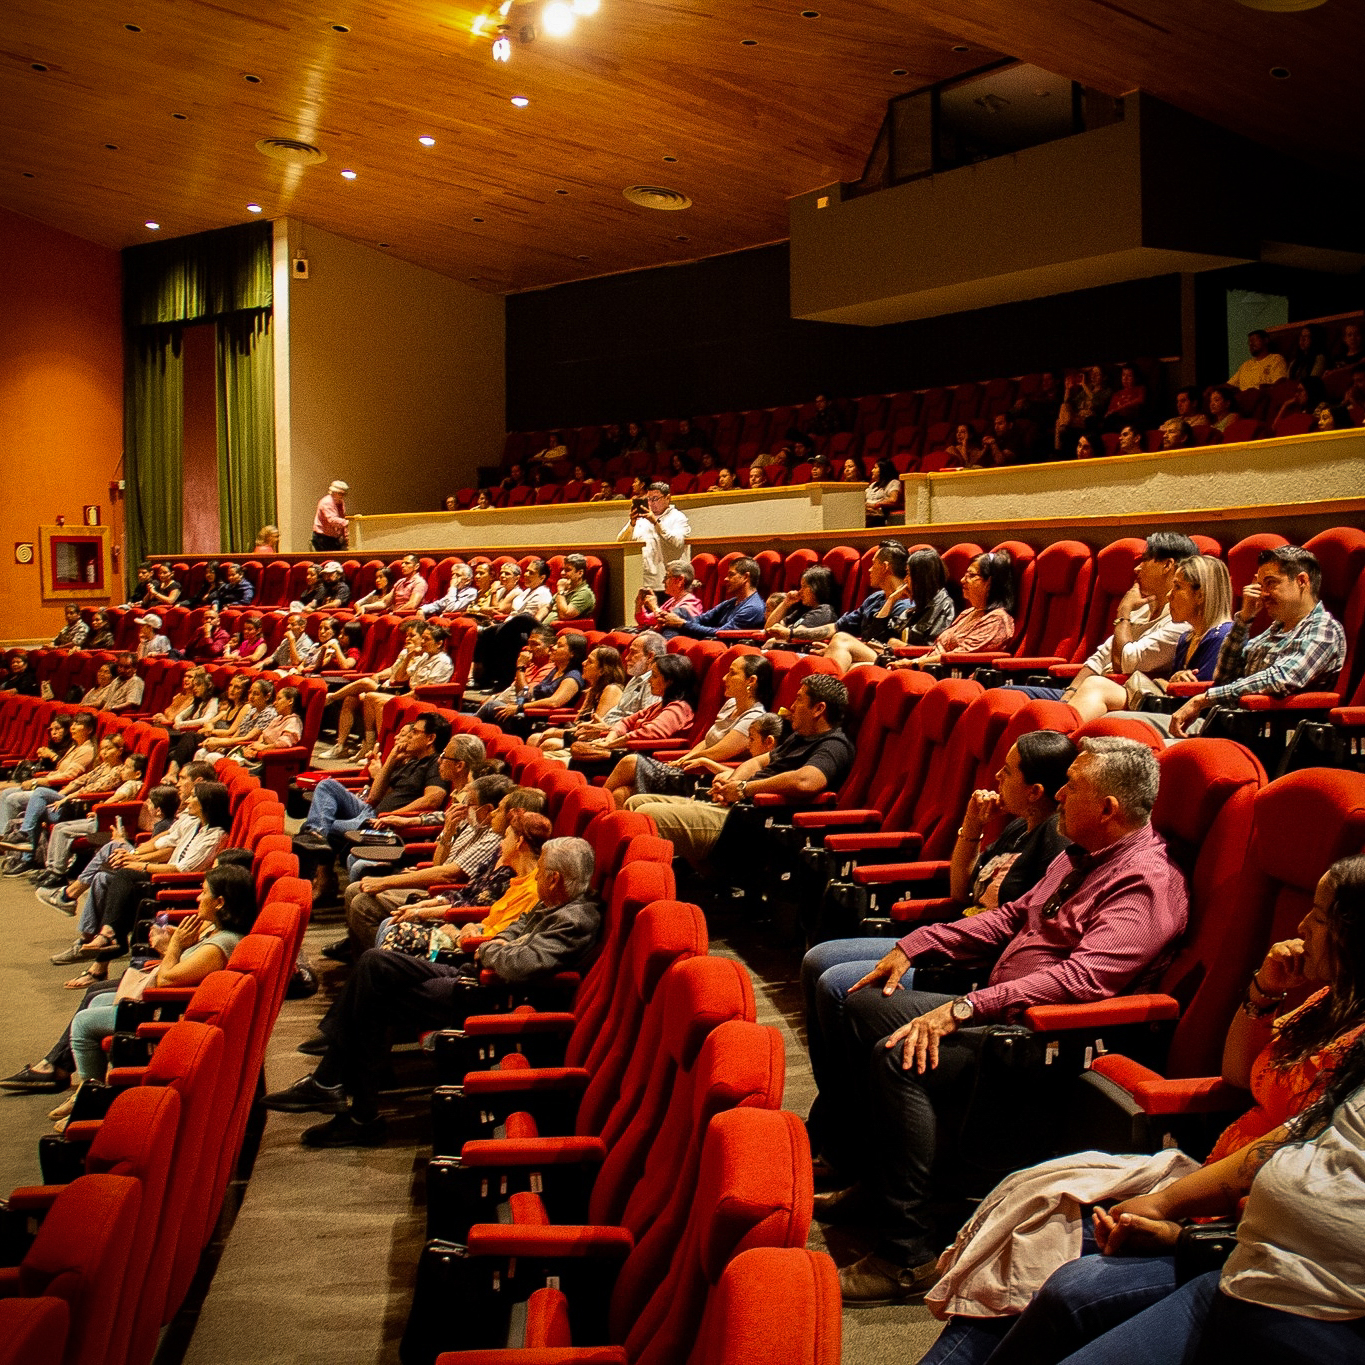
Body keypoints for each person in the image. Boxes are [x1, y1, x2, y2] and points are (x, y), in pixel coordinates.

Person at [915, 854, 1365, 1365]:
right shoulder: (1327, 1000)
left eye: (1321, 917)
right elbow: (1241, 1075)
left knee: (1067, 1280)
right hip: (1209, 1184)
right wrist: (1264, 990)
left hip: (1239, 1224)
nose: (1302, 924)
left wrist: (1179, 1223)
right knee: (1034, 1228)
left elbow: (1302, 1166)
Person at [827, 738, 1189, 1304]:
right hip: (1003, 1007)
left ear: (1110, 808)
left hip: (1048, 1040)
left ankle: (908, 1254)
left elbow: (1082, 981)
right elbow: (1014, 917)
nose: (1061, 793)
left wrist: (966, 1007)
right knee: (860, 998)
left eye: (1074, 785)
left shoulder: (1145, 883)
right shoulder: (1081, 854)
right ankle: (879, 1180)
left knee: (897, 1054)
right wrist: (918, 943)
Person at [801, 729, 1077, 1174]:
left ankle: (845, 1141)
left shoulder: (1056, 843)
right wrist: (972, 825)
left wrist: (937, 946)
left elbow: (1023, 930)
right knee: (818, 960)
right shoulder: (1014, 829)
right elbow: (959, 888)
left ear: (1035, 790)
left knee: (837, 985)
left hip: (969, 961)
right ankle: (836, 1118)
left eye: (1007, 772)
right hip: (952, 935)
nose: (996, 777)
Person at [262, 837, 601, 1148]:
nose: (537, 875)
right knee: (375, 963)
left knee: (372, 998)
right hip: (475, 973)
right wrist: (491, 943)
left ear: (555, 878)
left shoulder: (576, 918)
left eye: (541, 870)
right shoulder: (553, 903)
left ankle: (351, 1106)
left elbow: (521, 963)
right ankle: (336, 1090)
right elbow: (513, 931)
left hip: (492, 994)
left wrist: (488, 949)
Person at [8, 863, 258, 1123]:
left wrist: (172, 947)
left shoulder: (222, 944)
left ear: (219, 902)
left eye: (203, 891)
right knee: (97, 999)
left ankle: (92, 1099)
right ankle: (87, 1091)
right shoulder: (217, 933)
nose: (197, 897)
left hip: (170, 1014)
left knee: (83, 1023)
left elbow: (167, 980)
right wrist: (176, 945)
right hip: (168, 1001)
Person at [626, 673, 854, 877]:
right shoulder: (799, 737)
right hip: (734, 807)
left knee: (646, 815)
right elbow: (758, 761)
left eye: (800, 699)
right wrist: (733, 782)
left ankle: (641, 893)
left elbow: (807, 781)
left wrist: (745, 789)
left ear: (819, 709)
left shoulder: (834, 746)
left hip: (754, 823)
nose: (792, 706)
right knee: (635, 802)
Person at [340, 783, 547, 957]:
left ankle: (372, 967)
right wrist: (447, 832)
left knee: (381, 918)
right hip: (450, 905)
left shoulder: (512, 868)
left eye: (499, 810)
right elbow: (450, 876)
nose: (462, 807)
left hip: (463, 927)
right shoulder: (502, 853)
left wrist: (422, 911)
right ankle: (366, 964)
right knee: (367, 898)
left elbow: (456, 884)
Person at [1170, 544, 1348, 738]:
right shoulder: (1273, 630)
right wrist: (1244, 620)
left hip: (1276, 737)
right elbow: (1224, 677)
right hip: (1232, 726)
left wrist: (1202, 700)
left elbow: (1280, 679)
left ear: (1302, 581)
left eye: (1271, 583)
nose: (1263, 594)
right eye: (1261, 586)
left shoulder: (1323, 630)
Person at [1006, 531, 1197, 708]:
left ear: (1167, 565)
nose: (1137, 568)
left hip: (1120, 697)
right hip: (1085, 691)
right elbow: (1100, 657)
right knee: (1006, 695)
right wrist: (1069, 693)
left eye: (1145, 561)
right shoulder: (1143, 609)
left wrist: (1123, 613)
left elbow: (1126, 663)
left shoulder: (1181, 622)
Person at [74, 779, 233, 963]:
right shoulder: (195, 824)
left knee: (125, 876)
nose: (187, 801)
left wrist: (140, 865)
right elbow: (166, 842)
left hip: (177, 888)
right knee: (108, 877)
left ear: (206, 803)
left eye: (192, 797)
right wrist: (134, 857)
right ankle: (106, 939)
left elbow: (181, 870)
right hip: (163, 877)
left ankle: (108, 936)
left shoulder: (215, 836)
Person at [1064, 554, 1233, 721]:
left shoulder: (1221, 637)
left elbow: (1199, 700)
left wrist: (1172, 684)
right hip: (1169, 710)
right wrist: (1173, 680)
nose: (1169, 595)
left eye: (1178, 587)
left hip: (1192, 722)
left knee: (1106, 706)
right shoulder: (1187, 638)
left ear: (1200, 596)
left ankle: (1060, 738)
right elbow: (1176, 689)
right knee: (1096, 687)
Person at [605, 651, 773, 806]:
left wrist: (686, 761)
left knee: (630, 761)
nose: (724, 678)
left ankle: (597, 804)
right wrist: (686, 757)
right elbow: (707, 742)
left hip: (706, 778)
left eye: (732, 673)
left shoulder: (754, 717)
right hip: (691, 767)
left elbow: (717, 752)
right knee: (621, 794)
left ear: (751, 681)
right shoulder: (730, 705)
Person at [298, 710, 452, 852]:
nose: (409, 736)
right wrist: (391, 758)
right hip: (369, 811)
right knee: (327, 785)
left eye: (415, 732)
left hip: (380, 822)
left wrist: (393, 816)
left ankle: (318, 849)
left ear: (430, 738)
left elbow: (433, 799)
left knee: (317, 826)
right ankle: (316, 835)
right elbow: (375, 796)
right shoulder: (411, 760)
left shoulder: (436, 764)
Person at [31, 748, 145, 887]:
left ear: (137, 773)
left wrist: (100, 809)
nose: (122, 770)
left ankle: (58, 873)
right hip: (102, 818)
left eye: (127, 768)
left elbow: (116, 798)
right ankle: (51, 868)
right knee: (60, 827)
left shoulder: (132, 784)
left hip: (108, 823)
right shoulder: (127, 782)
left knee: (61, 830)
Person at [892, 550, 1016, 667]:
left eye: (971, 575)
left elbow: (960, 656)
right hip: (931, 669)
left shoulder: (997, 620)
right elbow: (937, 650)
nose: (963, 580)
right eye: (965, 575)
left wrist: (914, 664)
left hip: (958, 678)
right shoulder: (968, 613)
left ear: (989, 582)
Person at [568, 653, 697, 764]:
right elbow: (625, 722)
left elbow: (650, 733)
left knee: (578, 750)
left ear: (670, 681)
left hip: (648, 758)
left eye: (655, 676)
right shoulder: (658, 705)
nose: (649, 681)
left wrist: (611, 745)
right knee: (578, 751)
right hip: (630, 751)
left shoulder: (679, 708)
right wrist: (609, 739)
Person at [529, 645, 626, 755]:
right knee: (534, 738)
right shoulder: (592, 690)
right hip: (578, 735)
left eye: (590, 661)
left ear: (602, 670)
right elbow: (577, 723)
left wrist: (557, 733)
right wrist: (558, 732)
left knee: (550, 743)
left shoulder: (612, 690)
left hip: (593, 740)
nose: (583, 663)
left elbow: (594, 729)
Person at [486, 632, 587, 738]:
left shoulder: (573, 677)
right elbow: (524, 695)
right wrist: (520, 668)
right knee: (490, 711)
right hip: (526, 713)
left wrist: (520, 707)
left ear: (573, 653)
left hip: (539, 720)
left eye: (560, 646)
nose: (553, 647)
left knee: (491, 707)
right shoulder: (555, 670)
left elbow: (554, 702)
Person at [664, 557, 765, 639]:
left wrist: (682, 624)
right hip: (712, 640)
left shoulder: (753, 607)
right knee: (681, 613)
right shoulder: (731, 602)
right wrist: (673, 619)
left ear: (745, 577)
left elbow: (722, 633)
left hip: (727, 647)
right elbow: (702, 619)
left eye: (731, 575)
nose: (726, 579)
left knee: (679, 619)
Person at [617, 482, 691, 593]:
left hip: (669, 583)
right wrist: (632, 523)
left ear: (668, 498)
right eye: (649, 499)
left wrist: (656, 522)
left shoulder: (678, 518)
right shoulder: (642, 518)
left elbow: (677, 542)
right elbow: (621, 542)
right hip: (644, 581)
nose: (651, 503)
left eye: (655, 499)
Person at [193, 677, 278, 763]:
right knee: (201, 752)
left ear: (267, 696)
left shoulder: (269, 713)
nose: (251, 696)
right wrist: (215, 741)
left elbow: (248, 738)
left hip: (246, 749)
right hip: (235, 745)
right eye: (250, 692)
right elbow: (236, 734)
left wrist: (220, 743)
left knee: (211, 757)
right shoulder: (252, 710)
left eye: (256, 694)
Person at [166, 669, 231, 778]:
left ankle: (172, 774)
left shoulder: (214, 701)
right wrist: (179, 723)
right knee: (165, 735)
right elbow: (179, 716)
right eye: (194, 685)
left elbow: (206, 720)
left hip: (203, 735)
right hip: (189, 733)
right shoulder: (199, 701)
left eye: (198, 685)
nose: (194, 688)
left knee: (188, 736)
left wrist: (181, 725)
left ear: (209, 685)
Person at [764, 566, 839, 645]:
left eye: (804, 586)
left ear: (817, 588)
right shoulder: (804, 609)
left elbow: (794, 638)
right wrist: (785, 603)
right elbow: (768, 628)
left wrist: (783, 631)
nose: (800, 591)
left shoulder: (824, 611)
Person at [636, 560, 704, 637]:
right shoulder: (672, 600)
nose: (663, 581)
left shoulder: (691, 603)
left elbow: (670, 622)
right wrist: (639, 603)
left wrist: (654, 607)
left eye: (666, 577)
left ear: (680, 580)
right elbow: (645, 621)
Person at [549, 554, 596, 624]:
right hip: (541, 628)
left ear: (580, 573)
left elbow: (564, 615)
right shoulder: (567, 588)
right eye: (562, 569)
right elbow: (548, 607)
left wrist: (560, 590)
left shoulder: (585, 593)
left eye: (567, 570)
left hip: (558, 630)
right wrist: (537, 620)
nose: (562, 573)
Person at [1103, 364, 1147, 430]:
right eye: (1123, 375)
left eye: (1129, 376)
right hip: (1115, 419)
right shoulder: (1117, 393)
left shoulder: (1140, 389)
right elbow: (1110, 411)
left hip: (1131, 419)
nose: (1125, 378)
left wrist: (1121, 407)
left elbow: (1140, 400)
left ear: (1135, 377)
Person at [313, 479, 350, 552]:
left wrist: (346, 536)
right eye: (340, 494)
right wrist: (349, 523)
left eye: (343, 494)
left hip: (333, 537)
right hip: (323, 537)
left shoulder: (340, 502)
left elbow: (342, 517)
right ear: (333, 492)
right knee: (327, 561)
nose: (342, 496)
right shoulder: (327, 502)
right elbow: (332, 520)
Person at [865, 459, 904, 524]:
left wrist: (876, 505)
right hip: (866, 513)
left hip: (878, 515)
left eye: (875, 468)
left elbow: (893, 500)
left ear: (883, 470)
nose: (872, 471)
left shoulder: (894, 482)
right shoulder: (873, 485)